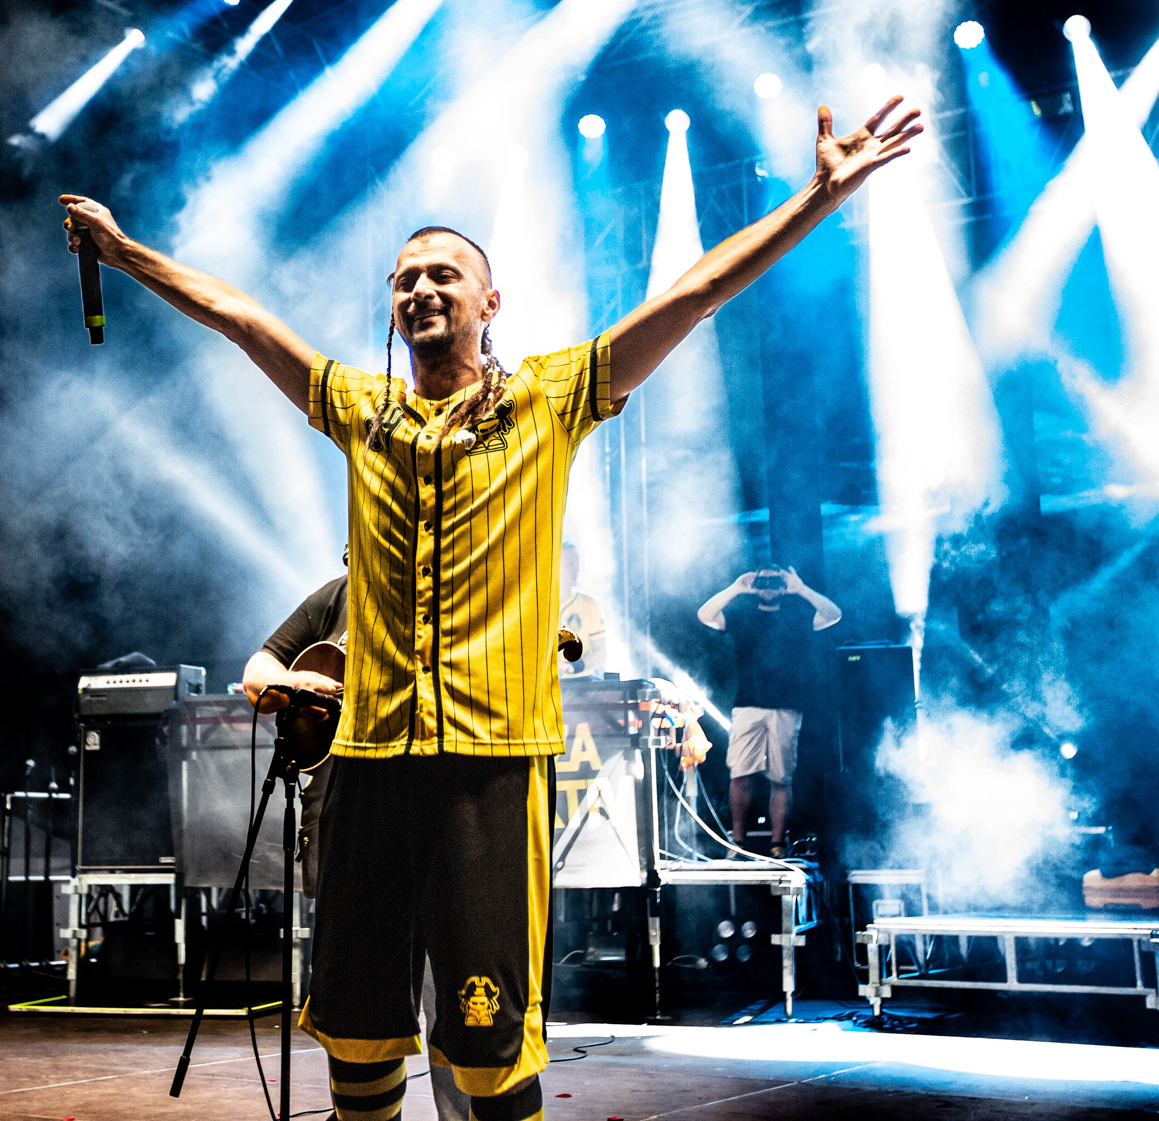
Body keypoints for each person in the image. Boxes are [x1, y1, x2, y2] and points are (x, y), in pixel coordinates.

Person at [61, 96, 918, 1121]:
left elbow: (695, 293)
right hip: (367, 763)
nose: (420, 288)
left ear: (489, 302)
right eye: (403, 279)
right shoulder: (360, 409)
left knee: (486, 1038)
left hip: (489, 763)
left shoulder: (550, 398)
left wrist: (819, 197)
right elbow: (241, 318)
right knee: (358, 1025)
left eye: (442, 274)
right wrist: (126, 253)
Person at [243, 574, 472, 1121]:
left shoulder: (456, 586)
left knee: (455, 1001)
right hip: (348, 817)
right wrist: (296, 682)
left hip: (440, 814)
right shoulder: (339, 596)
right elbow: (258, 672)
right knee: (360, 1004)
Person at [697, 564, 842, 856]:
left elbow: (833, 615)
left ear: (783, 585)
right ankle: (738, 842)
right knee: (740, 774)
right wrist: (736, 588)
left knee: (781, 778)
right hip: (748, 704)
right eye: (763, 581)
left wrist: (801, 589)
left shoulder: (797, 616)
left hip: (787, 705)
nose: (769, 586)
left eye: (775, 581)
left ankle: (778, 843)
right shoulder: (742, 616)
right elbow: (705, 615)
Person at [555, 543, 608, 679]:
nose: (575, 570)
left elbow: (601, 653)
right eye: (568, 564)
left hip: (582, 684)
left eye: (576, 564)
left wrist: (575, 666)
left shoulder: (590, 604)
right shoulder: (535, 605)